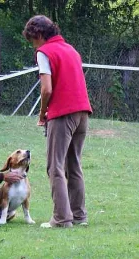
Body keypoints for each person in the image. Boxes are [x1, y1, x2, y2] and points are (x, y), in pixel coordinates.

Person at [22, 15, 93, 228]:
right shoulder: (71, 50)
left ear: (39, 35)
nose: (32, 45)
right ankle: (79, 216)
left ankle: (61, 219)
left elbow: (47, 88)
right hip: (82, 113)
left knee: (55, 167)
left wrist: (43, 113)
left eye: (32, 40)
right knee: (74, 165)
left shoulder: (44, 52)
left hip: (62, 114)